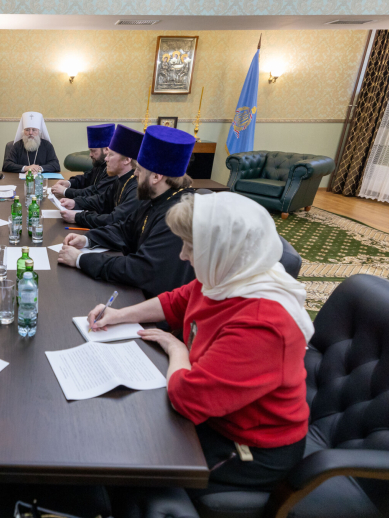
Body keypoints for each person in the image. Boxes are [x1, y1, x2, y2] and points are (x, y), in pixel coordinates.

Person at [87, 191, 314, 506]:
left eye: (190, 247)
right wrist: (119, 315)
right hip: (214, 414)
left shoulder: (263, 323)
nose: (182, 255)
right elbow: (177, 300)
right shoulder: (228, 276)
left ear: (224, 250)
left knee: (132, 460)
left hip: (248, 445)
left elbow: (187, 399)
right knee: (119, 433)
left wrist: (177, 349)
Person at [57, 125, 195, 299]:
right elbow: (124, 230)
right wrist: (87, 239)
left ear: (156, 177)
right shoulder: (156, 197)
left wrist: (80, 260)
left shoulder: (178, 214)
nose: (135, 173)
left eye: (140, 169)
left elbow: (141, 269)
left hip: (159, 305)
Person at [58, 124, 144, 230]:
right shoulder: (121, 179)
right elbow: (101, 201)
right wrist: (75, 203)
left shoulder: (136, 189)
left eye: (111, 155)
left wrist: (78, 217)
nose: (106, 159)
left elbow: (113, 219)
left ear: (127, 160)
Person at [51, 124, 116, 199]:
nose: (90, 155)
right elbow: (86, 178)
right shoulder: (100, 163)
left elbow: (95, 192)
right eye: (90, 151)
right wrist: (69, 183)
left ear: (106, 150)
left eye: (93, 151)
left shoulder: (114, 169)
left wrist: (65, 191)